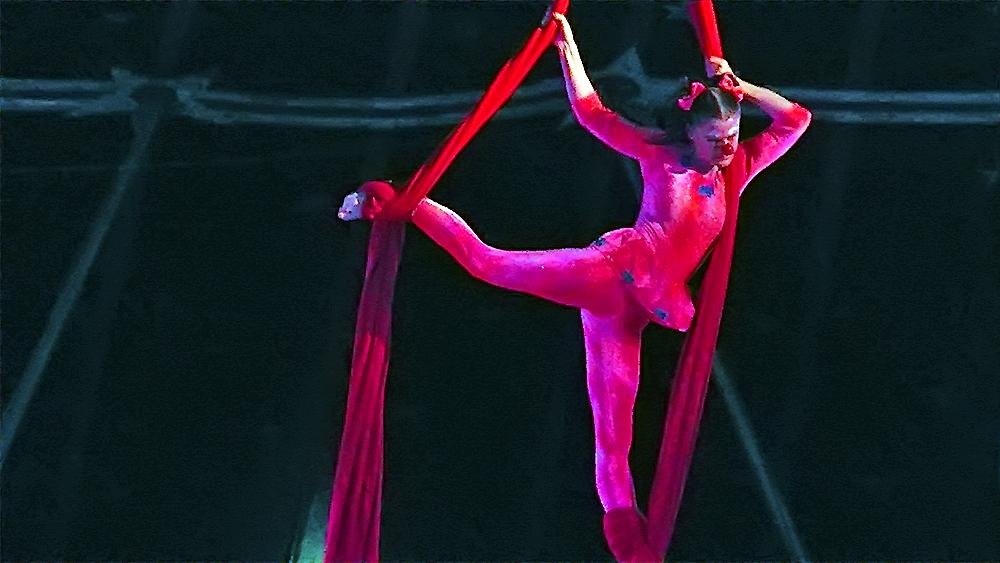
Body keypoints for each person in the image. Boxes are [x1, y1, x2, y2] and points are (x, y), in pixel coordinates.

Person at [340, 12, 810, 561]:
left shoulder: (737, 168)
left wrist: (743, 89)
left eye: (730, 135)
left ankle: (629, 545)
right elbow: (591, 112)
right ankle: (396, 199)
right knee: (488, 263)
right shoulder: (659, 155)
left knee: (614, 433)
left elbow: (796, 119)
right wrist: (567, 45)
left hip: (634, 312)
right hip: (610, 274)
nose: (726, 147)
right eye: (715, 139)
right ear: (689, 132)